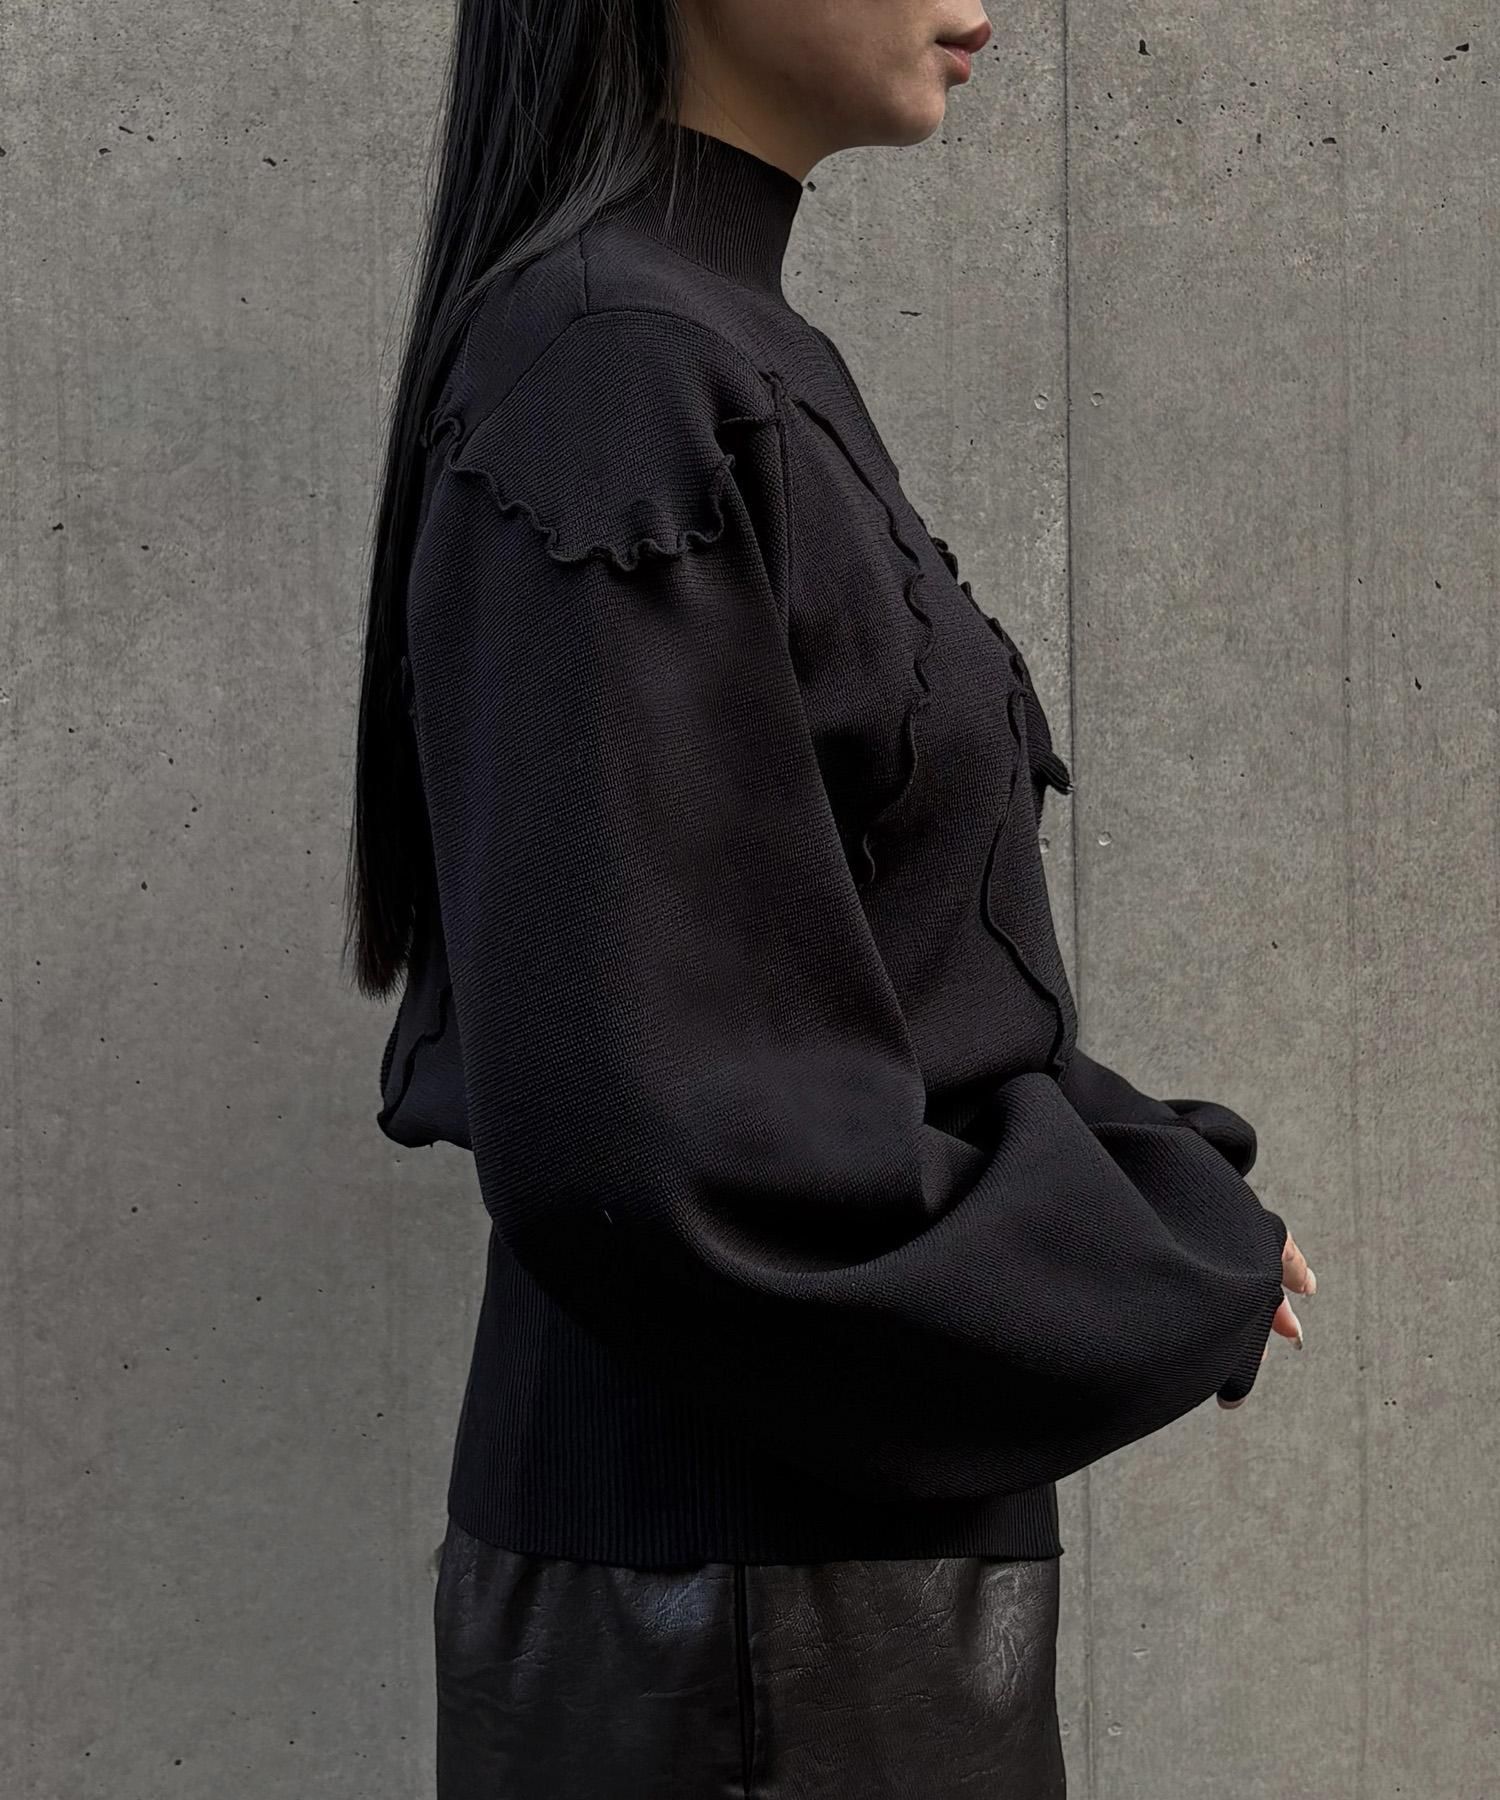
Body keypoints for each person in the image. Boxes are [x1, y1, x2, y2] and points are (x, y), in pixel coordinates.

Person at [343, 2, 1316, 1794]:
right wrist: (1144, 1265)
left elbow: (879, 971)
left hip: (805, 1602)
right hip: (740, 1632)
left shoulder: (707, 339)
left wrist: (1158, 1194)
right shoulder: (612, 365)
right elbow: (666, 1143)